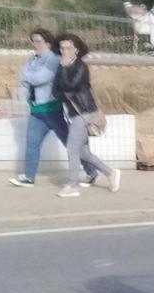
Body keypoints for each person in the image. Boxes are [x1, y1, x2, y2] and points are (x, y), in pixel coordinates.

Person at [9, 29, 97, 188]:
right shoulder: (33, 60)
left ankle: (91, 171)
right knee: (32, 142)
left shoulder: (53, 60)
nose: (35, 45)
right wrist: (29, 77)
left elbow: (40, 78)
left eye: (38, 41)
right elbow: (22, 77)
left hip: (51, 110)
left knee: (71, 144)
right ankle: (29, 177)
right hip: (36, 110)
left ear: (48, 43)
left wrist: (29, 77)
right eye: (33, 41)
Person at [53, 33, 120, 198]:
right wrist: (64, 89)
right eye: (62, 48)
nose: (64, 51)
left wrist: (64, 69)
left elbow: (71, 85)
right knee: (83, 152)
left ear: (76, 49)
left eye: (68, 48)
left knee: (72, 149)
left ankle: (73, 184)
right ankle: (110, 173)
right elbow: (56, 91)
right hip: (74, 113)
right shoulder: (62, 66)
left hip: (84, 112)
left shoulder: (81, 67)